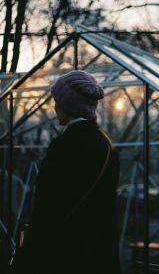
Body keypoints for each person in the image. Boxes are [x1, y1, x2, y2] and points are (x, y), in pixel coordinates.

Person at [11, 70, 120, 273]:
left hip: (63, 254)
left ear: (67, 106)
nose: (54, 107)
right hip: (98, 254)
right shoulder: (107, 147)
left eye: (57, 102)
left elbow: (46, 208)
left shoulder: (62, 147)